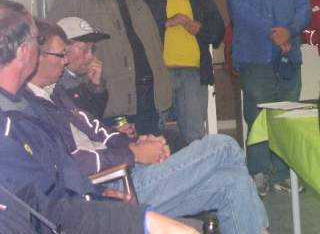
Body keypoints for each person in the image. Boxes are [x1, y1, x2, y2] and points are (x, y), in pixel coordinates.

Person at [27, 19, 269, 234]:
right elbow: (71, 163)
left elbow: (97, 129)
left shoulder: (54, 93)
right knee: (223, 145)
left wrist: (136, 144)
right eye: (60, 55)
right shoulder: (30, 108)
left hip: (126, 170)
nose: (65, 60)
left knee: (233, 183)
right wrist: (133, 154)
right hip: (111, 185)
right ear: (37, 57)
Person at [0, 0, 198, 234]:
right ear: (25, 52)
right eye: (36, 41)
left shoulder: (31, 102)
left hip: (92, 192)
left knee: (227, 181)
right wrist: (131, 214)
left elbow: (58, 176)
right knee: (220, 147)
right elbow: (43, 209)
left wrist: (99, 194)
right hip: (98, 188)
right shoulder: (14, 119)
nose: (67, 59)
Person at [48, 0, 172, 135]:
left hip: (149, 100)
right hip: (109, 106)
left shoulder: (135, 0)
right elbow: (54, 56)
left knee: (154, 152)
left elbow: (155, 48)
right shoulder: (72, 1)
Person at [227, 0, 310, 195]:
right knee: (258, 116)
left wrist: (290, 30)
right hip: (255, 59)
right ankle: (259, 172)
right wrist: (276, 34)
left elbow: (304, 11)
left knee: (286, 116)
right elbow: (243, 13)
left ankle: (284, 174)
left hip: (288, 60)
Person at [128, 0, 225, 143]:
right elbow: (127, 27)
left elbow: (218, 28)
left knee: (195, 137)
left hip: (193, 74)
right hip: (156, 74)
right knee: (151, 136)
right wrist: (165, 23)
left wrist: (200, 28)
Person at [55, 16, 110, 118]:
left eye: (92, 49)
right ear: (63, 48)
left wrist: (95, 85)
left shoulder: (77, 79)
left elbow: (91, 119)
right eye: (85, 49)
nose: (90, 56)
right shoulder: (55, 83)